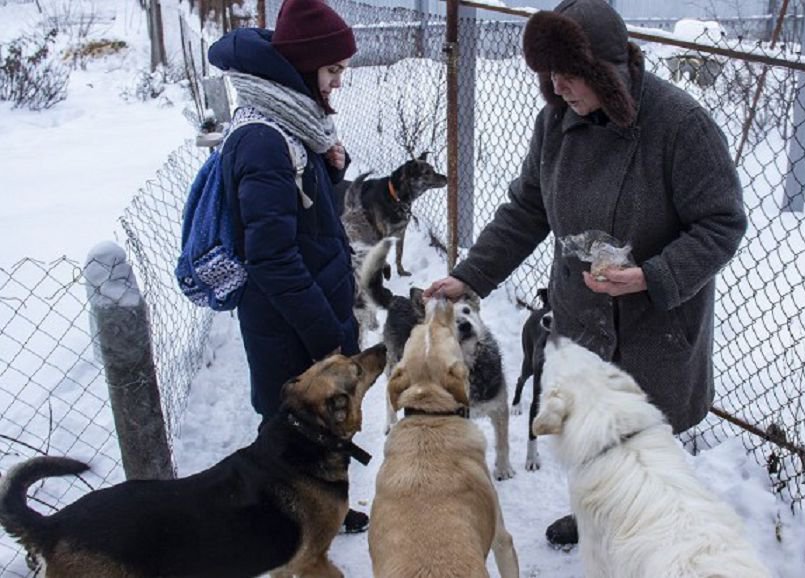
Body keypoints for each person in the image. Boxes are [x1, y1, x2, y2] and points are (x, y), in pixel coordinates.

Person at [424, 0, 747, 547]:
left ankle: (649, 533)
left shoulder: (679, 126)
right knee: (587, 431)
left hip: (652, 324)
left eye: (571, 75)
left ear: (608, 73)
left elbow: (722, 223)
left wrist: (653, 274)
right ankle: (595, 510)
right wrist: (471, 275)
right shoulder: (555, 123)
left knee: (644, 446)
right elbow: (528, 209)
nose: (559, 87)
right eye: (551, 76)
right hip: (582, 314)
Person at [207, 0, 366, 532]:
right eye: (332, 70)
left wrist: (333, 175)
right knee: (287, 426)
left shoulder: (294, 125)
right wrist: (328, 336)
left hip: (308, 306)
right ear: (303, 68)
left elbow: (307, 220)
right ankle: (282, 523)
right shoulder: (264, 139)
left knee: (318, 426)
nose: (338, 82)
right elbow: (271, 258)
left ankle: (323, 509)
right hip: (289, 320)